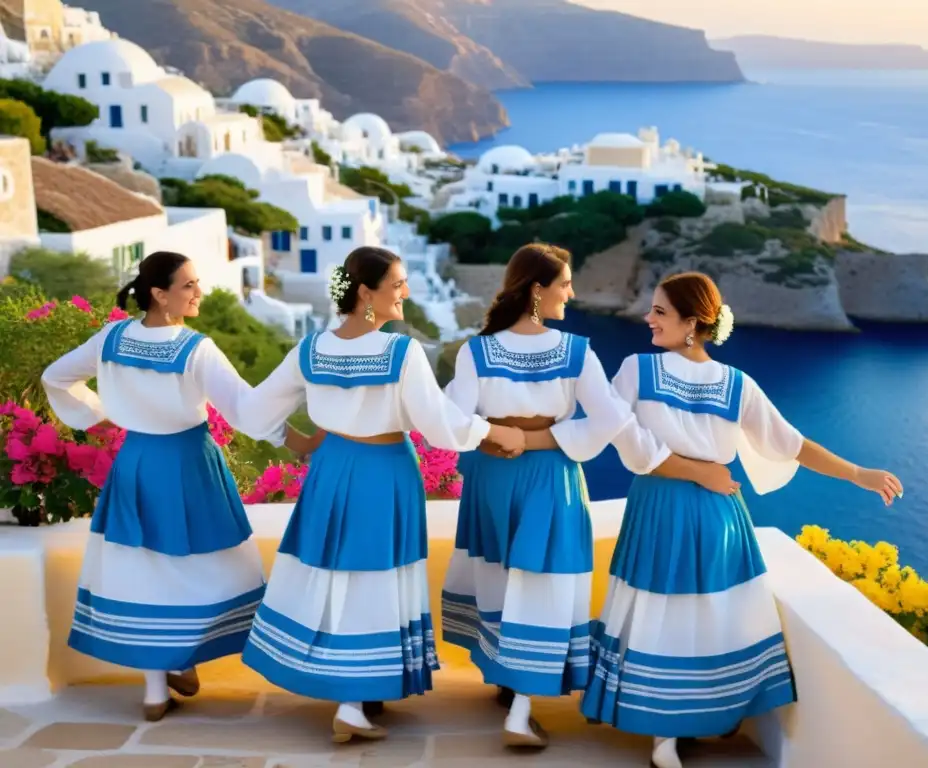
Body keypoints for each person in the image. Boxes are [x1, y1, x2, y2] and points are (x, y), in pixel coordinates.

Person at [581, 271, 904, 768]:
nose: (648, 318)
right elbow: (788, 445)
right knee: (696, 612)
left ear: (692, 324)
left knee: (674, 610)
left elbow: (790, 444)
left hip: (675, 506)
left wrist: (859, 473)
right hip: (705, 507)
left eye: (660, 311)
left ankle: (673, 728)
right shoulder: (712, 380)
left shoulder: (649, 373)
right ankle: (681, 725)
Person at [234, 246, 525, 744]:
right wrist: (494, 432)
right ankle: (355, 700)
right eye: (397, 284)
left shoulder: (311, 349)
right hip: (385, 470)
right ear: (366, 293)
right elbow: (438, 425)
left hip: (331, 469)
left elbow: (253, 413)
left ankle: (352, 692)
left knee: (335, 573)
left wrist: (298, 441)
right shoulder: (400, 352)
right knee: (375, 576)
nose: (405, 293)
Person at [440, 244, 723, 750]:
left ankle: (510, 686)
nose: (572, 292)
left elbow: (450, 423)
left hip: (491, 475)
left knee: (501, 579)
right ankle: (522, 710)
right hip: (550, 477)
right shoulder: (576, 352)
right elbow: (614, 422)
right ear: (536, 290)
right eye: (565, 283)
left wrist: (500, 434)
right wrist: (688, 468)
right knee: (544, 588)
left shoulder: (474, 350)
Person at [40, 252, 315, 722]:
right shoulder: (195, 348)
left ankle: (155, 689)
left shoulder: (112, 338)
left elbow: (55, 376)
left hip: (137, 462)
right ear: (159, 294)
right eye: (188, 285)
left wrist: (98, 415)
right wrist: (298, 441)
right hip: (189, 463)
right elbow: (244, 409)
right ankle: (182, 658)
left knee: (144, 567)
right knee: (209, 565)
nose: (198, 292)